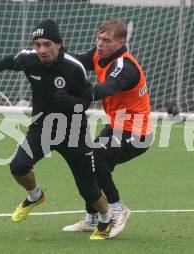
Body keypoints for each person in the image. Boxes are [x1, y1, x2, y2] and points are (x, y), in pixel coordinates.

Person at [0, 19, 120, 240]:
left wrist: (69, 101)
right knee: (18, 166)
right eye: (38, 45)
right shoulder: (30, 60)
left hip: (73, 131)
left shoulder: (74, 68)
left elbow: (86, 101)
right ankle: (35, 195)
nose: (42, 50)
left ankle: (106, 218)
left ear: (59, 44)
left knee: (88, 189)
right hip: (42, 128)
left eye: (47, 44)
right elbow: (12, 60)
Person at [62, 19, 154, 237]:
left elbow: (108, 87)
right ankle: (92, 217)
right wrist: (56, 54)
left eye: (107, 40)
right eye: (99, 38)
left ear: (121, 42)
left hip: (138, 133)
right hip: (117, 127)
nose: (100, 43)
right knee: (89, 162)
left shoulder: (125, 66)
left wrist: (80, 96)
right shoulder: (99, 54)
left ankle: (117, 208)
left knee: (97, 158)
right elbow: (78, 61)